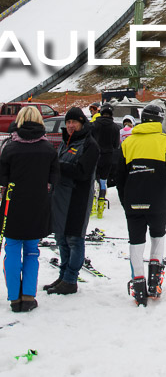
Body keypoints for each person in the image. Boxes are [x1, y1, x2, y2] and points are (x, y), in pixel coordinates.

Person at [116, 104, 166, 307]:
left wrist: (124, 199)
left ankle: (138, 289)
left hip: (133, 200)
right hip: (158, 200)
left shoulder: (128, 142)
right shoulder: (165, 141)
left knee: (136, 243)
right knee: (158, 237)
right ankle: (155, 284)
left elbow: (118, 175)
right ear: (160, 121)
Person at [0, 106, 58, 312]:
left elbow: (2, 178)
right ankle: (28, 295)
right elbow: (54, 178)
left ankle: (15, 297)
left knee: (13, 249)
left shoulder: (10, 148)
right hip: (38, 205)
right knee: (32, 251)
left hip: (13, 205)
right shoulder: (48, 149)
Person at [47, 107, 99, 295]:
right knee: (61, 237)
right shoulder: (65, 142)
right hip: (60, 196)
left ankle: (71, 279)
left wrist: (58, 166)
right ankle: (63, 275)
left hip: (78, 196)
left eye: (73, 122)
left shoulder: (90, 144)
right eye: (68, 122)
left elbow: (82, 172)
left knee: (74, 239)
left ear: (81, 123)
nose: (70, 126)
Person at [91, 103, 120, 218]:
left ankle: (92, 202)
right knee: (103, 180)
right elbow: (116, 144)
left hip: (95, 155)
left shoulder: (94, 125)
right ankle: (101, 205)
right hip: (108, 156)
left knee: (94, 179)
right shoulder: (115, 127)